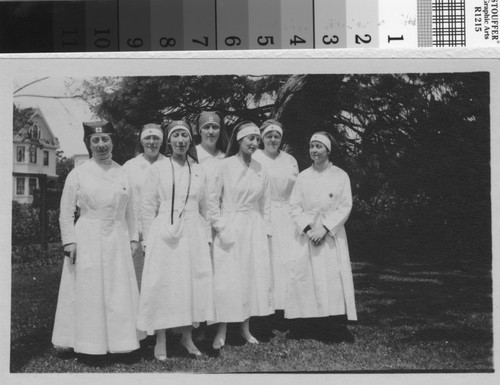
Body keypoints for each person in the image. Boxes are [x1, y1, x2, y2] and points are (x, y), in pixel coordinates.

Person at [52, 121, 145, 356]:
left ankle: (121, 344)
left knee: (117, 290)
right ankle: (88, 345)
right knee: (89, 291)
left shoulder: (123, 172)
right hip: (88, 237)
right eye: (96, 140)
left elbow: (131, 211)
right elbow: (65, 212)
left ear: (113, 142)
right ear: (89, 144)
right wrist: (69, 241)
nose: (101, 145)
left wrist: (134, 239)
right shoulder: (78, 173)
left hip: (117, 236)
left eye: (105, 140)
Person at [137, 120, 215, 361]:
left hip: (192, 232)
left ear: (190, 140)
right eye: (176, 136)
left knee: (190, 283)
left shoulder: (199, 169)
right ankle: (160, 338)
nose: (180, 140)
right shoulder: (157, 169)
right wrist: (148, 240)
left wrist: (208, 237)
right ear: (168, 141)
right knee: (164, 283)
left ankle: (187, 337)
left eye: (184, 136)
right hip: (164, 233)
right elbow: (148, 207)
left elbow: (207, 208)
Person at [207, 121, 274, 350]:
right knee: (227, 279)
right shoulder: (224, 166)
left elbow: (266, 204)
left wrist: (265, 230)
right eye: (250, 139)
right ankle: (222, 329)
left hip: (253, 226)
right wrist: (222, 228)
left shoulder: (261, 169)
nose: (254, 143)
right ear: (239, 140)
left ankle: (245, 327)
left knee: (250, 276)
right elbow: (212, 202)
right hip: (230, 225)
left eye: (257, 139)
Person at [285, 131, 357, 329]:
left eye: (319, 146)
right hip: (307, 235)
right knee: (306, 277)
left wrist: (324, 229)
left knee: (330, 277)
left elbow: (344, 206)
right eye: (312, 146)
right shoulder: (303, 176)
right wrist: (308, 230)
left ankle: (331, 322)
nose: (314, 150)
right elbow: (294, 206)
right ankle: (307, 322)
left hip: (330, 235)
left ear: (328, 150)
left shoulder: (341, 176)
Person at [253, 120, 299, 311]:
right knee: (267, 260)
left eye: (276, 136)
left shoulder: (290, 160)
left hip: (287, 215)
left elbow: (297, 190)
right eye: (269, 136)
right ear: (262, 138)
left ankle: (286, 306)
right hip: (264, 212)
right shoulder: (254, 157)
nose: (273, 140)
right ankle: (266, 307)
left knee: (286, 260)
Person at [123, 123, 166, 284]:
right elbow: (127, 202)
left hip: (163, 232)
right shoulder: (130, 167)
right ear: (141, 141)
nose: (152, 142)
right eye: (148, 138)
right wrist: (132, 235)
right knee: (138, 279)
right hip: (137, 233)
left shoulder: (169, 164)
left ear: (162, 142)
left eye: (156, 138)